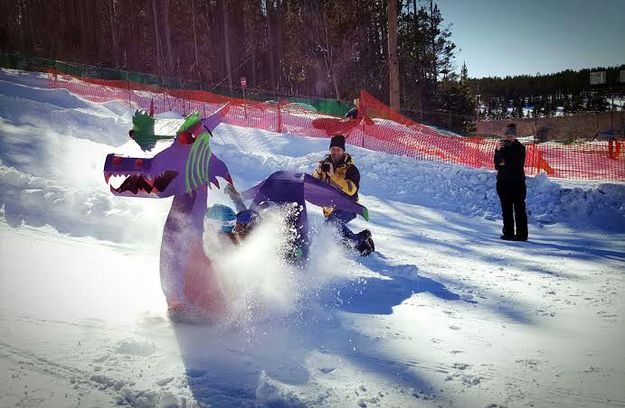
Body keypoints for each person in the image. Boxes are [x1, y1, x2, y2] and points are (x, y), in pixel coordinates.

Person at [312, 134, 374, 255]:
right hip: (330, 208)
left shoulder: (351, 169)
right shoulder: (325, 165)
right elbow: (315, 184)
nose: (335, 152)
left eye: (338, 149)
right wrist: (318, 172)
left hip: (348, 206)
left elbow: (350, 189)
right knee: (334, 231)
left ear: (343, 151)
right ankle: (362, 239)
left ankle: (359, 242)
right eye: (333, 149)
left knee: (330, 226)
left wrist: (333, 176)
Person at [494, 123, 528, 241]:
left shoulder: (520, 148)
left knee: (519, 209)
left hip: (517, 182)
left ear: (515, 136)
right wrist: (498, 151)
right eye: (508, 134)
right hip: (503, 182)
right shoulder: (501, 147)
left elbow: (519, 164)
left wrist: (505, 163)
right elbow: (497, 164)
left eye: (512, 134)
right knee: (506, 209)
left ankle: (522, 235)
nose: (510, 136)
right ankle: (508, 233)